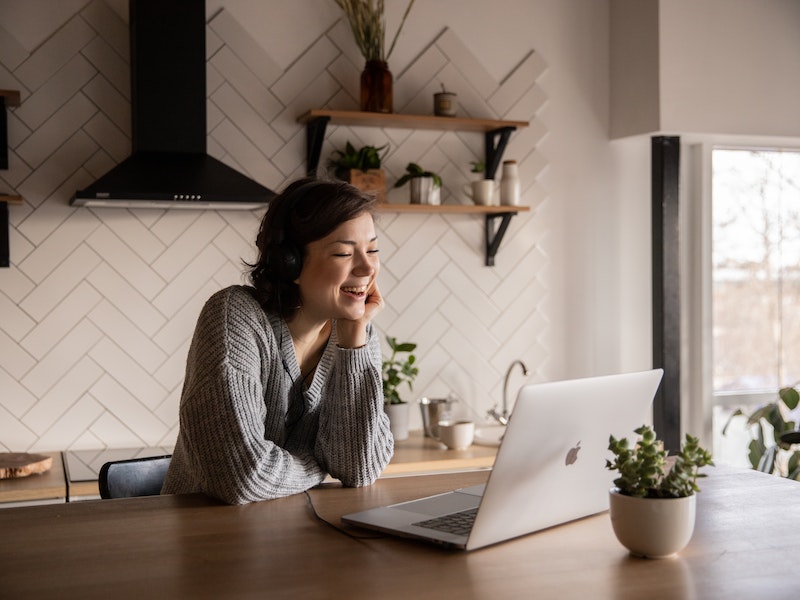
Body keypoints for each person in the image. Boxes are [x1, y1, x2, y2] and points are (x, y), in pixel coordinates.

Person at [162, 177, 394, 504]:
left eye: (373, 249)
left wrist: (354, 344)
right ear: (290, 264)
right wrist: (318, 464)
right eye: (344, 253)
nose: (368, 267)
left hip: (296, 536)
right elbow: (242, 476)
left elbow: (358, 469)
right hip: (207, 538)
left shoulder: (358, 335)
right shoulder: (235, 316)